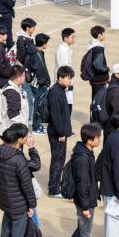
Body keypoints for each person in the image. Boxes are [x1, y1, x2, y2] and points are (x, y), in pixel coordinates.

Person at [59, 123, 102, 237]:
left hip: (86, 199)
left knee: (83, 228)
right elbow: (82, 184)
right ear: (89, 140)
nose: (99, 139)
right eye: (97, 137)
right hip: (85, 201)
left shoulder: (86, 152)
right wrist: (85, 207)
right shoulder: (83, 159)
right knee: (86, 233)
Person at [46, 66, 75, 197]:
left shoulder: (61, 90)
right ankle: (54, 189)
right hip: (57, 134)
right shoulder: (56, 93)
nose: (70, 81)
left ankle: (54, 185)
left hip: (60, 132)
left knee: (59, 160)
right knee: (57, 161)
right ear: (60, 78)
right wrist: (61, 133)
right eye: (68, 78)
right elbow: (56, 116)